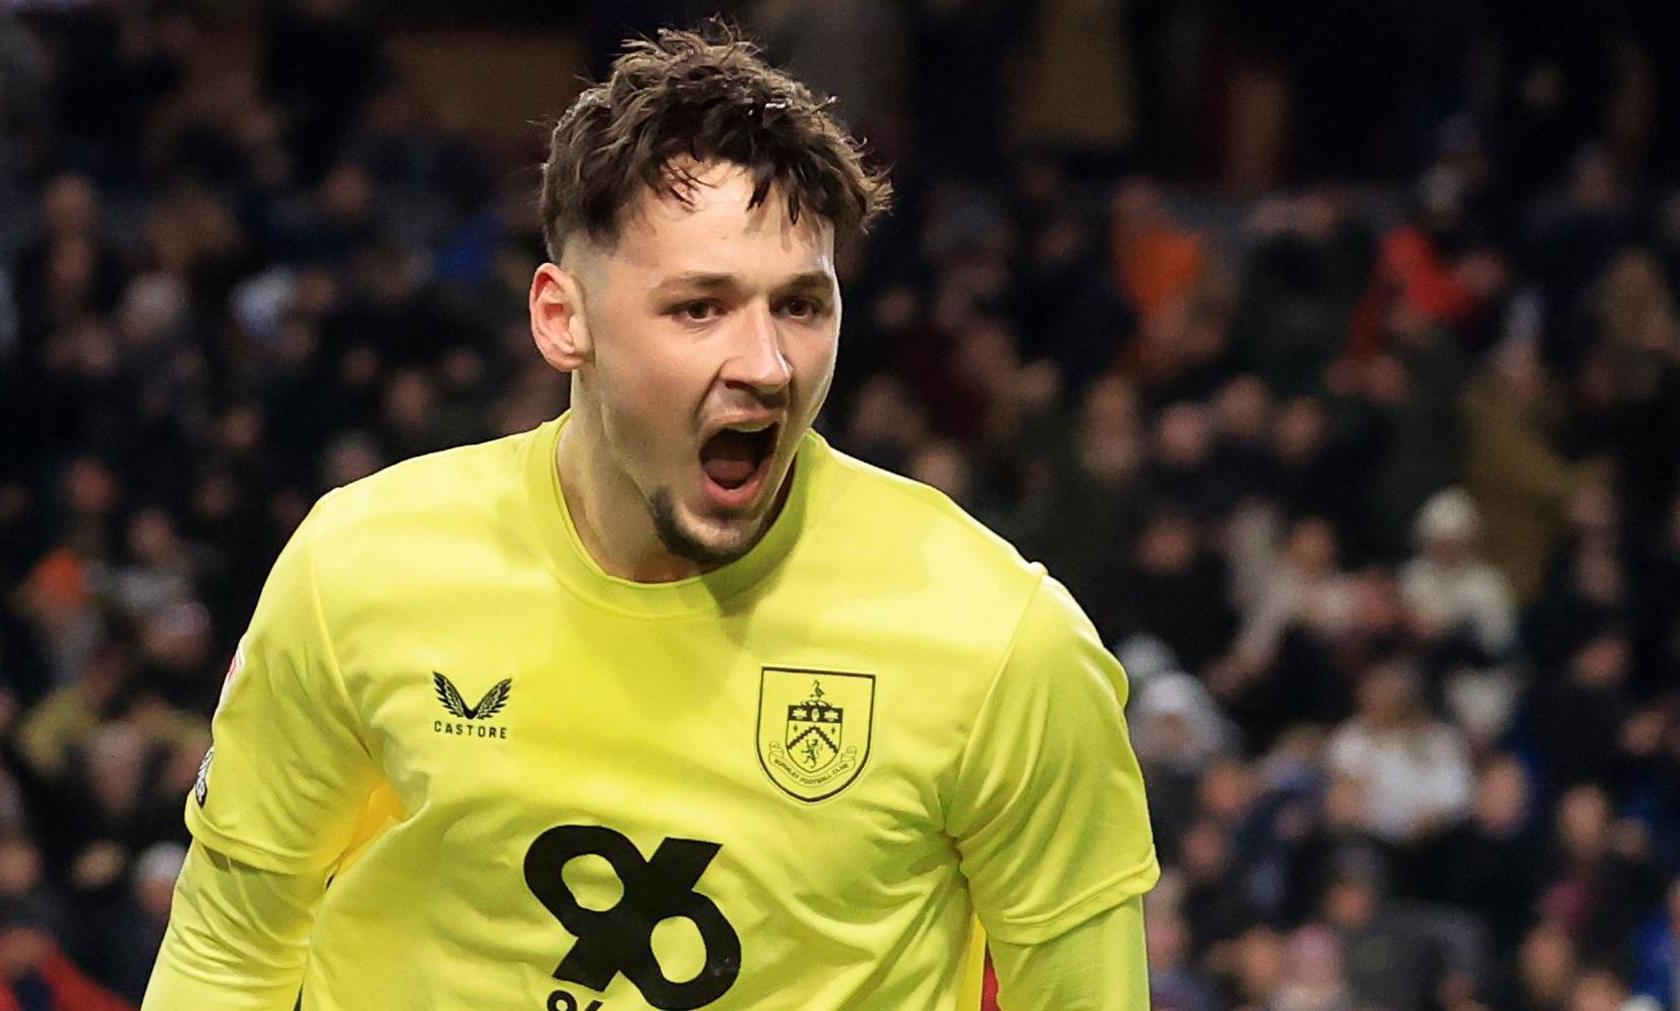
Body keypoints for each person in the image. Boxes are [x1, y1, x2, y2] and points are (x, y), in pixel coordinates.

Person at [143, 26, 1158, 1011]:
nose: (765, 366)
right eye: (699, 307)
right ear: (561, 318)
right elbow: (230, 955)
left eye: (801, 306)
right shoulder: (354, 571)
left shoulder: (1003, 645)